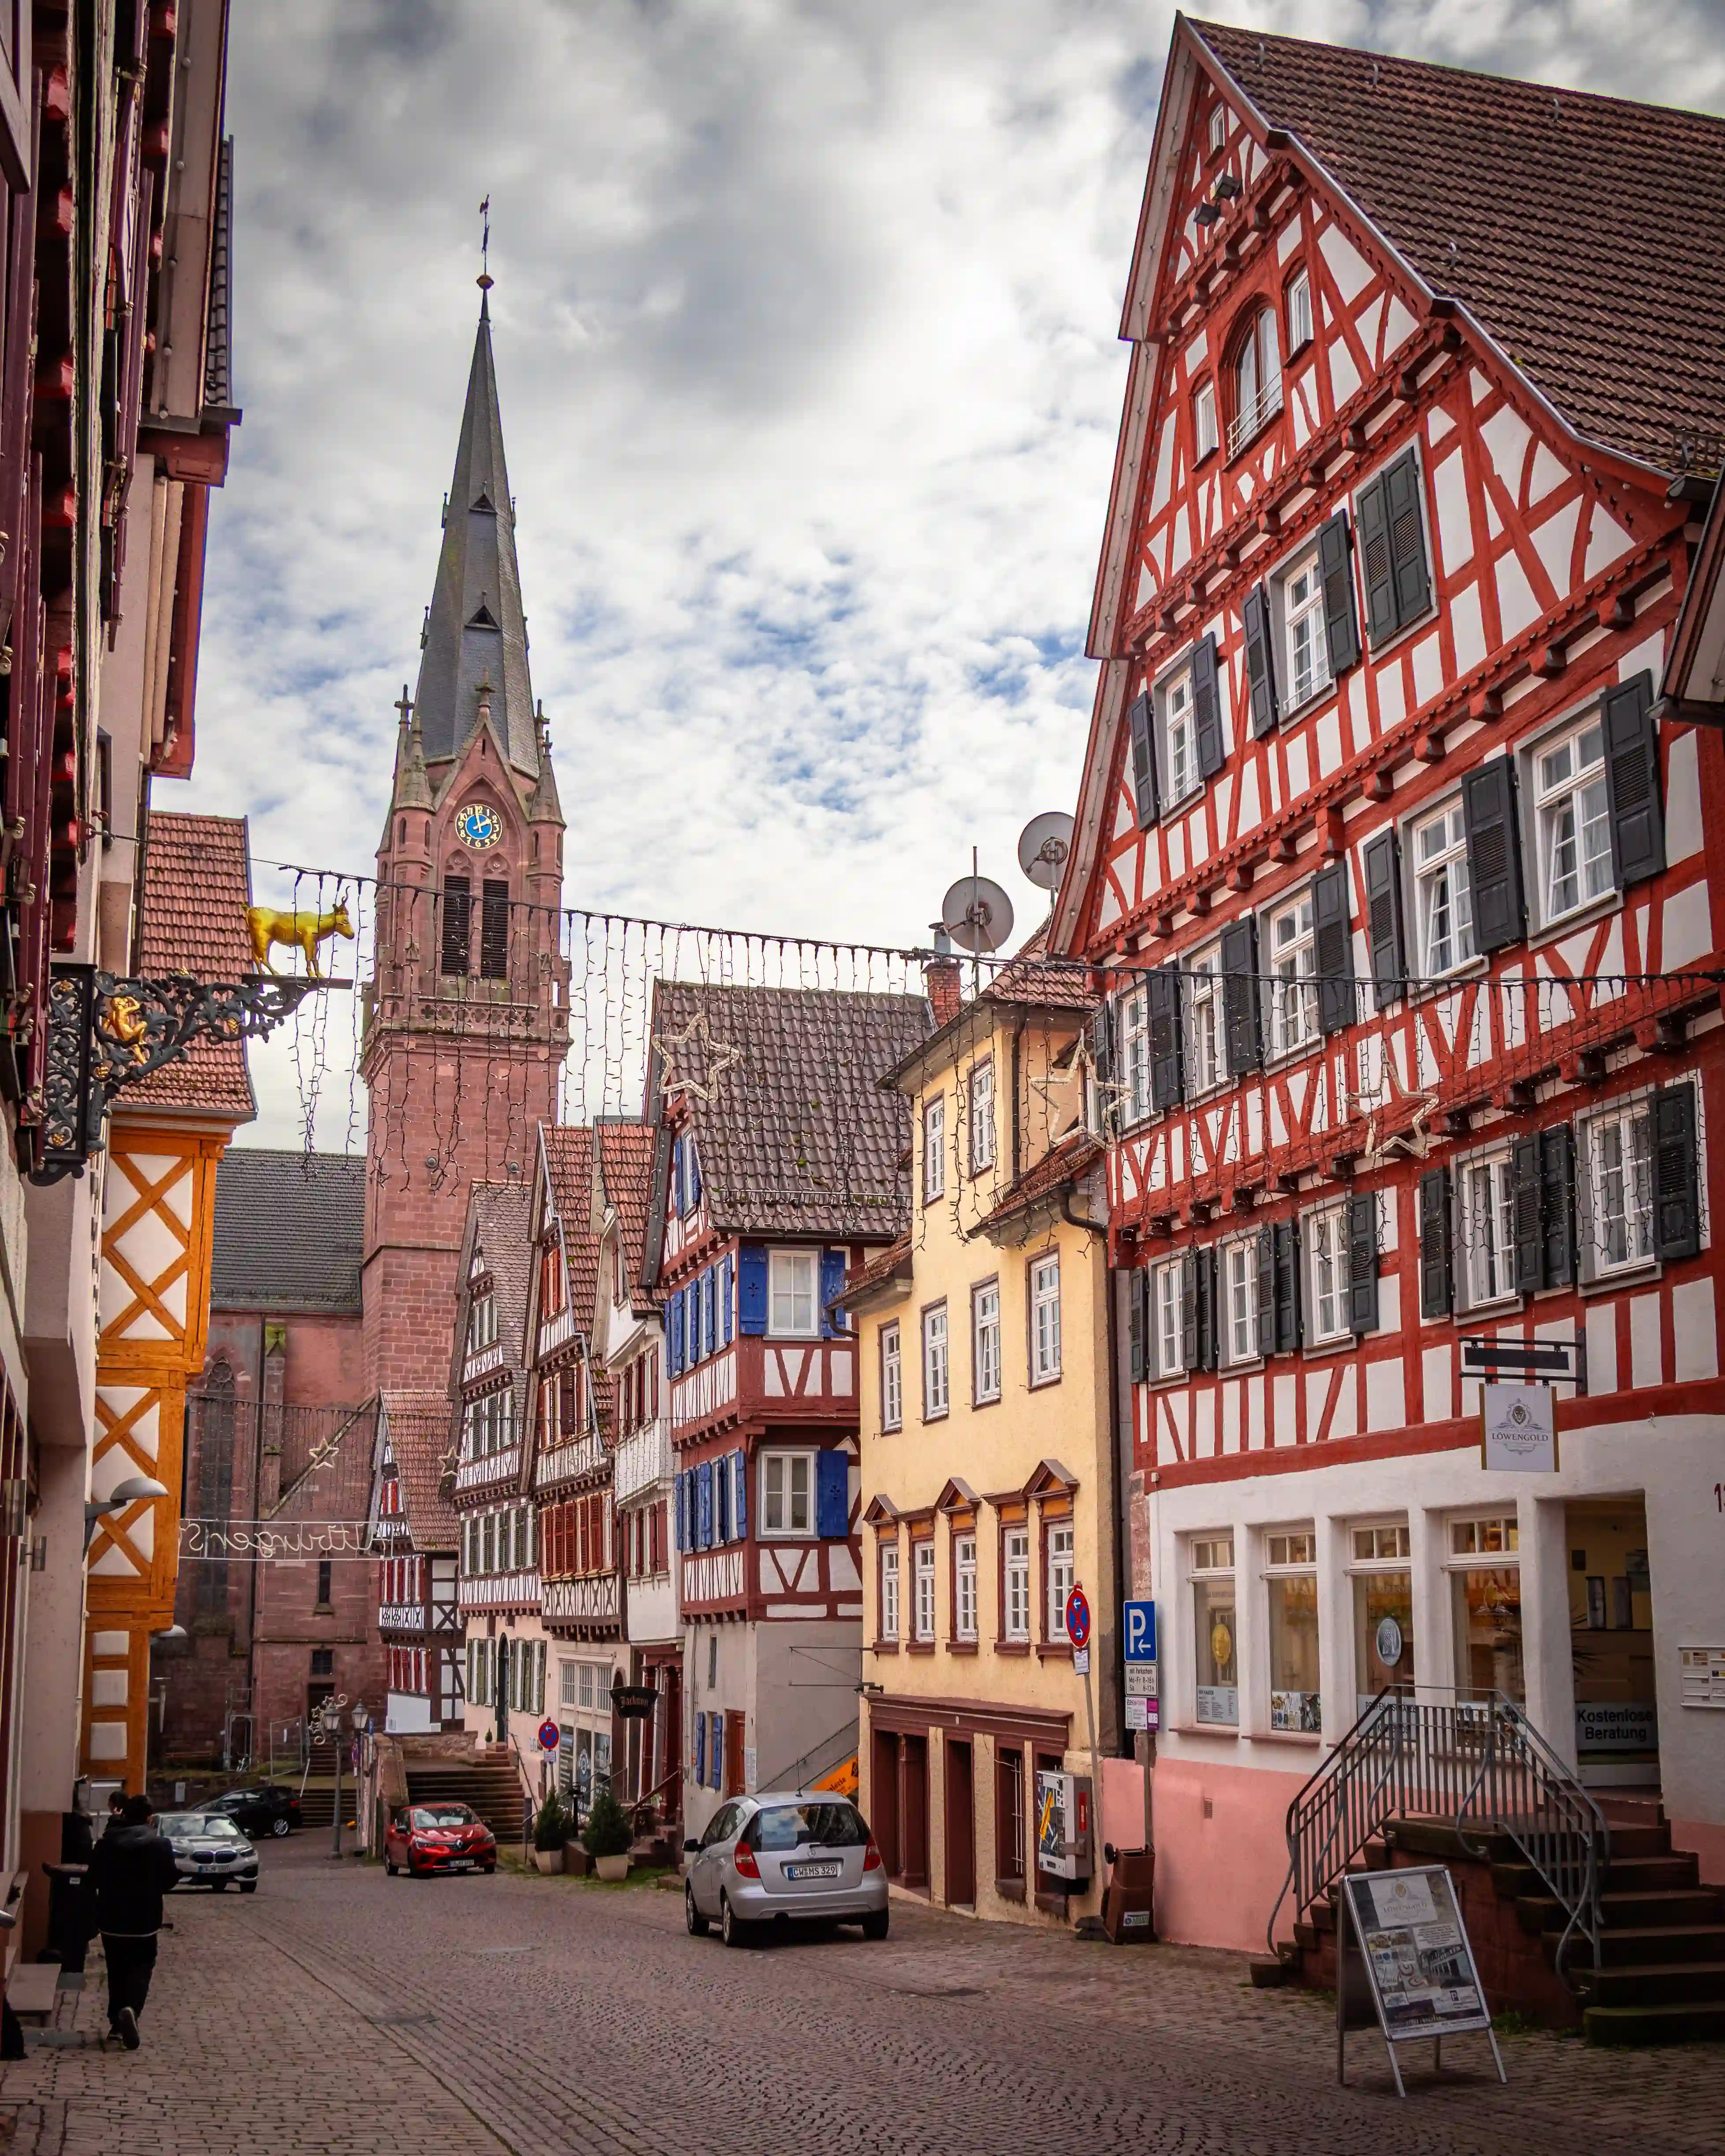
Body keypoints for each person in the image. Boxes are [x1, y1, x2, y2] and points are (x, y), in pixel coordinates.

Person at [86, 1793, 179, 2049]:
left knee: (117, 1970)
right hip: (145, 1921)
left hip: (111, 1920)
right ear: (150, 1818)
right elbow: (170, 1880)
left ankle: (116, 2024)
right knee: (141, 1967)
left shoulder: (105, 1845)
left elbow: (92, 1879)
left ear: (123, 1815)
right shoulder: (160, 1845)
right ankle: (131, 2010)